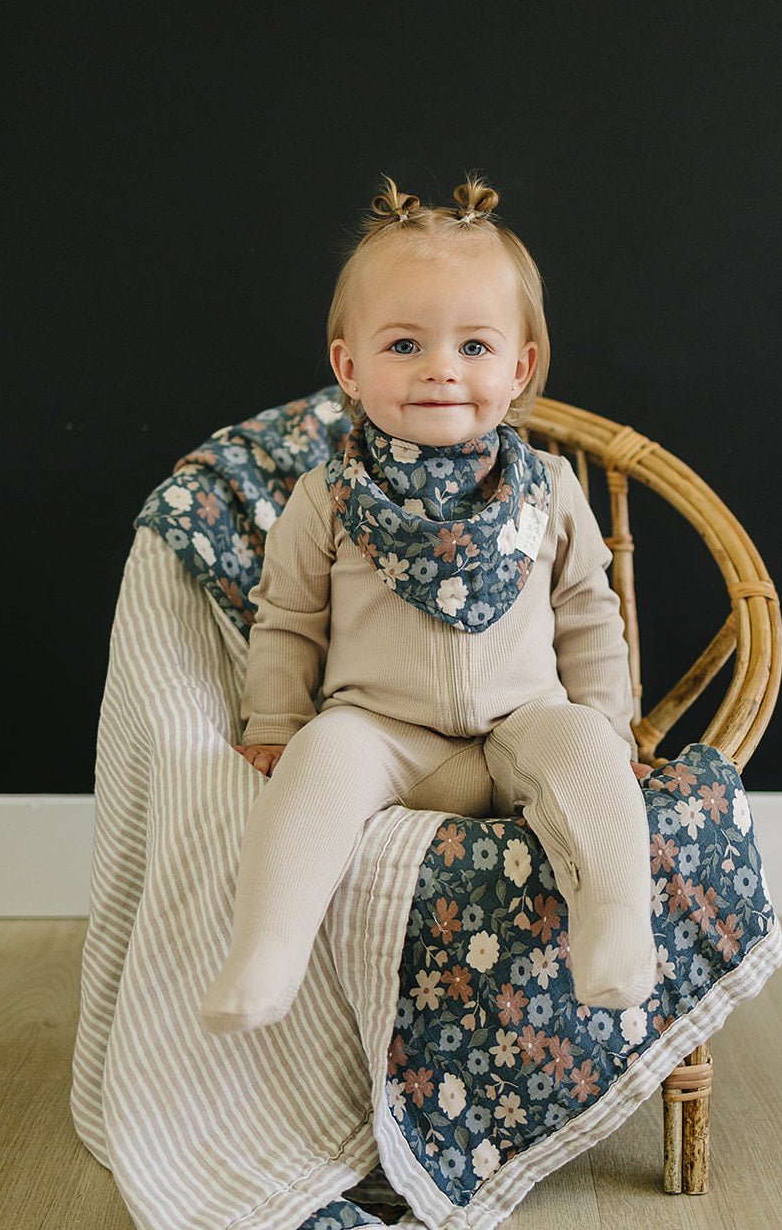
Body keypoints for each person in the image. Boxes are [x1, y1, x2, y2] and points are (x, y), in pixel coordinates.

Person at [200, 177, 657, 1034]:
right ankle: (266, 949)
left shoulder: (548, 487)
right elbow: (288, 618)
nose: (442, 368)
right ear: (349, 366)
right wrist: (275, 722)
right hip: (386, 730)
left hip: (522, 722)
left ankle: (616, 930)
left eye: (476, 347)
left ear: (520, 368)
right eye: (404, 344)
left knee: (590, 761)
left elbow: (589, 615)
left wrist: (609, 723)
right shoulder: (329, 495)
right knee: (317, 765)